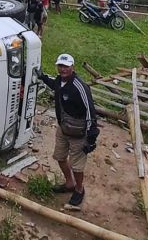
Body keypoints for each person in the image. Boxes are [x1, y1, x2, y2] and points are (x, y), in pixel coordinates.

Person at [39, 54, 99, 208]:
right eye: (60, 66)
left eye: (66, 66)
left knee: (77, 166)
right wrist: (42, 77)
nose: (63, 69)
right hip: (63, 128)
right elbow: (55, 85)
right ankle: (70, 183)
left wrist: (91, 137)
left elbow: (90, 112)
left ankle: (79, 189)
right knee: (60, 157)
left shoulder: (80, 87)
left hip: (79, 133)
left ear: (73, 67)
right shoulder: (60, 81)